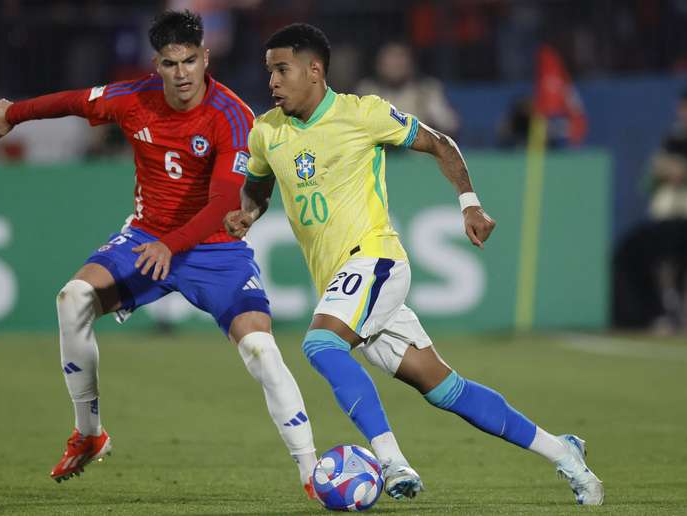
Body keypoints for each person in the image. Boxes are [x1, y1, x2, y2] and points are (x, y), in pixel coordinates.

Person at [225, 23, 604, 505]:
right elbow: (257, 187)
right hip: (343, 282)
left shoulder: (363, 114)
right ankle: (562, 451)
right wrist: (248, 214)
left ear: (314, 71)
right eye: (269, 71)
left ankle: (390, 461)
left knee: (321, 344)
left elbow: (441, 143)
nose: (272, 81)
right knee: (445, 389)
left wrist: (470, 203)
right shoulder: (266, 132)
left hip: (375, 259)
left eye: (282, 70)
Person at [0, 10, 317, 496]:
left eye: (189, 61)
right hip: (146, 238)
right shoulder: (133, 98)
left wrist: (173, 244)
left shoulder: (232, 115)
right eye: (169, 63)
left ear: (206, 57)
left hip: (214, 248)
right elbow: (75, 102)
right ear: (156, 65)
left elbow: (225, 201)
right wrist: (14, 114)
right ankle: (89, 434)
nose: (181, 73)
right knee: (72, 298)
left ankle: (311, 473)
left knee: (261, 350)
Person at [647, 86, 687, 333]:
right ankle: (671, 313)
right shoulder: (671, 140)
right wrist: (665, 172)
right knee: (668, 263)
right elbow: (648, 179)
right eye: (684, 108)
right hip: (669, 213)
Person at [356, 41, 459, 137]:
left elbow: (449, 125)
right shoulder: (367, 90)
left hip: (418, 154)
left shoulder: (427, 90)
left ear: (411, 63)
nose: (395, 64)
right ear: (379, 64)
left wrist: (438, 118)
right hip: (381, 152)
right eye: (390, 58)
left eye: (400, 58)